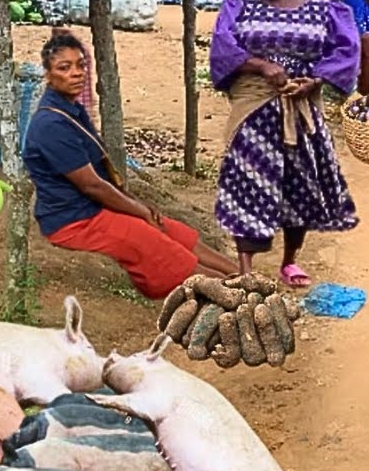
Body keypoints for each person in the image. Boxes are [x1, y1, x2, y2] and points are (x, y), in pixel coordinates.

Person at [22, 33, 237, 299]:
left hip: (96, 209)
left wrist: (137, 206)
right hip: (75, 221)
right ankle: (238, 293)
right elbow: (92, 185)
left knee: (177, 233)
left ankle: (246, 278)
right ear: (47, 74)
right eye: (64, 68)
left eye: (81, 65)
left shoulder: (71, 110)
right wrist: (139, 210)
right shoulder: (50, 125)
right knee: (162, 249)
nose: (76, 73)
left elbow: (101, 181)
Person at [209, 0, 360, 287]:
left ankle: (290, 261)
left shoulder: (325, 10)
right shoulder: (240, 5)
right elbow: (223, 46)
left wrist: (315, 80)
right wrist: (262, 66)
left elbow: (346, 50)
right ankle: (246, 269)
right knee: (246, 182)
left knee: (301, 184)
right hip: (255, 108)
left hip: (301, 108)